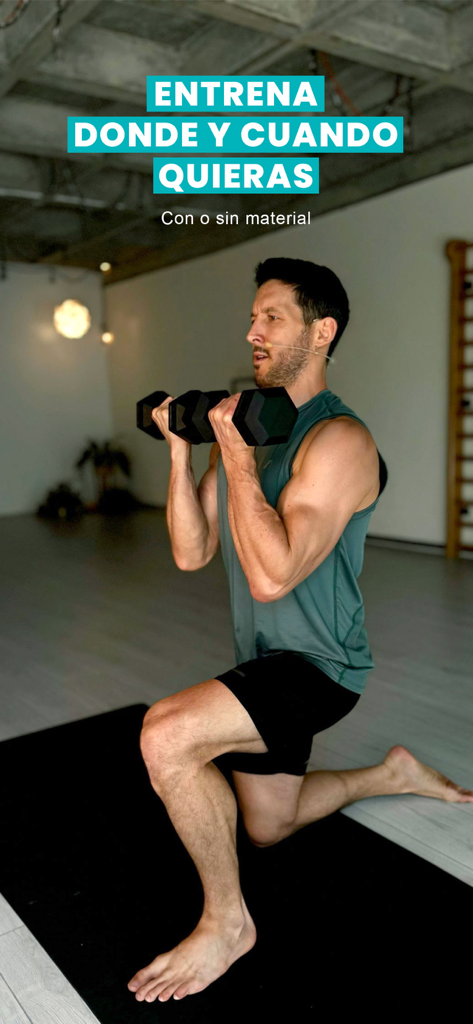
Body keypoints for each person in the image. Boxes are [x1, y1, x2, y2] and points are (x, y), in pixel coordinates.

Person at [128, 257, 473, 1006]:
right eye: (251, 316)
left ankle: (226, 923)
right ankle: (390, 775)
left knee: (167, 736)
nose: (251, 331)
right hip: (263, 660)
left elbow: (271, 576)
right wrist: (185, 451)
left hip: (319, 668)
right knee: (266, 827)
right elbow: (192, 553)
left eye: (271, 317)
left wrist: (239, 458)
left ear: (321, 332)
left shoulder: (338, 441)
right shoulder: (256, 430)